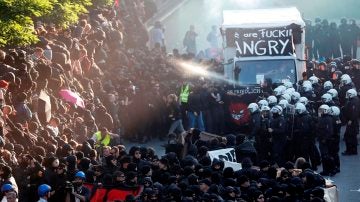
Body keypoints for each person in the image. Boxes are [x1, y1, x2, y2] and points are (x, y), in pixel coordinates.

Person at [342, 89, 360, 155]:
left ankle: (350, 151)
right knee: (352, 136)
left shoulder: (354, 101)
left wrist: (351, 120)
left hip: (352, 121)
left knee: (349, 136)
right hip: (352, 121)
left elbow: (355, 112)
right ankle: (353, 150)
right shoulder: (354, 100)